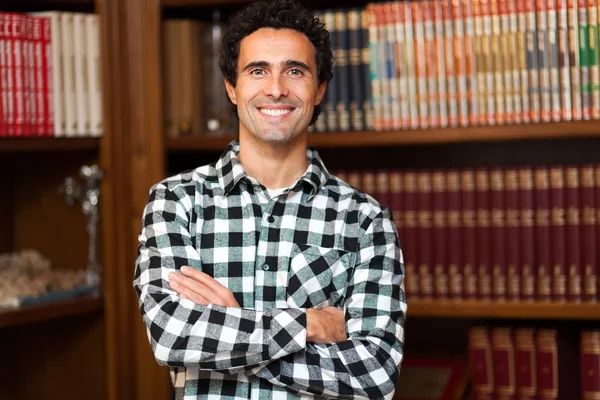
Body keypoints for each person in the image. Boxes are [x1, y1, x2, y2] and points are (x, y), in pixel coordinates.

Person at [133, 0, 406, 398]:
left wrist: (231, 325)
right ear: (232, 87)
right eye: (257, 70)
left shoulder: (365, 220)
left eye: (295, 71)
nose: (276, 89)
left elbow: (374, 375)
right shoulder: (176, 202)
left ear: (319, 90)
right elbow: (173, 336)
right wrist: (305, 325)